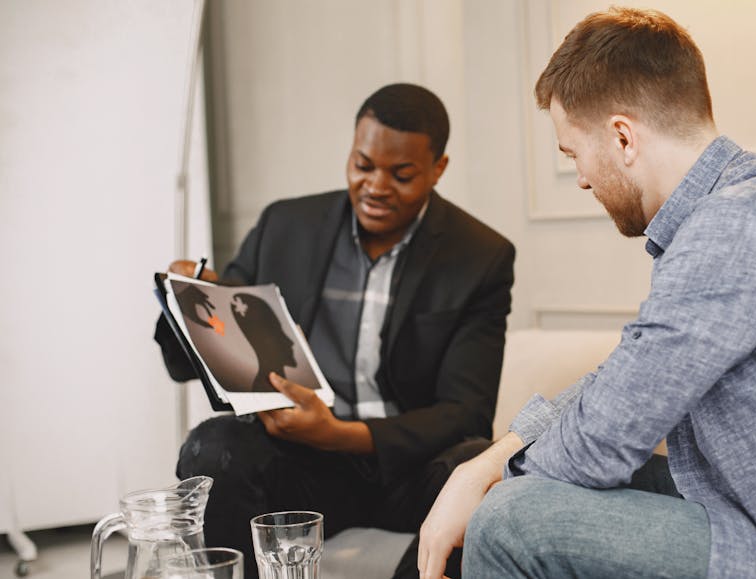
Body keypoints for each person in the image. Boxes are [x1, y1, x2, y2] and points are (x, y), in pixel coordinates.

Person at [418, 8, 756, 579]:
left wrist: (493, 480)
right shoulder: (744, 206)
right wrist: (485, 466)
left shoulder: (735, 227)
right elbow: (628, 378)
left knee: (508, 519)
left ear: (622, 136)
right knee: (502, 492)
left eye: (573, 154)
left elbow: (599, 442)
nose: (583, 179)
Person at [154, 83, 515, 579]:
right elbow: (187, 361)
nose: (377, 186)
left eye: (402, 174)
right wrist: (187, 298)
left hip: (409, 467)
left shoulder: (480, 256)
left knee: (479, 467)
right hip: (305, 464)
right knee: (213, 445)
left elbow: (466, 412)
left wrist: (343, 434)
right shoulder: (286, 225)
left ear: (438, 169)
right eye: (363, 165)